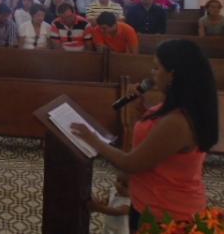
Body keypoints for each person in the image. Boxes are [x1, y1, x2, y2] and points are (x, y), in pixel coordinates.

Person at [71, 40, 219, 230]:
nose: (152, 73)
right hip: (149, 201)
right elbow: (157, 139)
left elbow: (131, 163)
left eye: (157, 68)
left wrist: (93, 139)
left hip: (167, 214)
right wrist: (142, 110)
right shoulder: (173, 108)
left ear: (172, 74)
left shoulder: (178, 122)